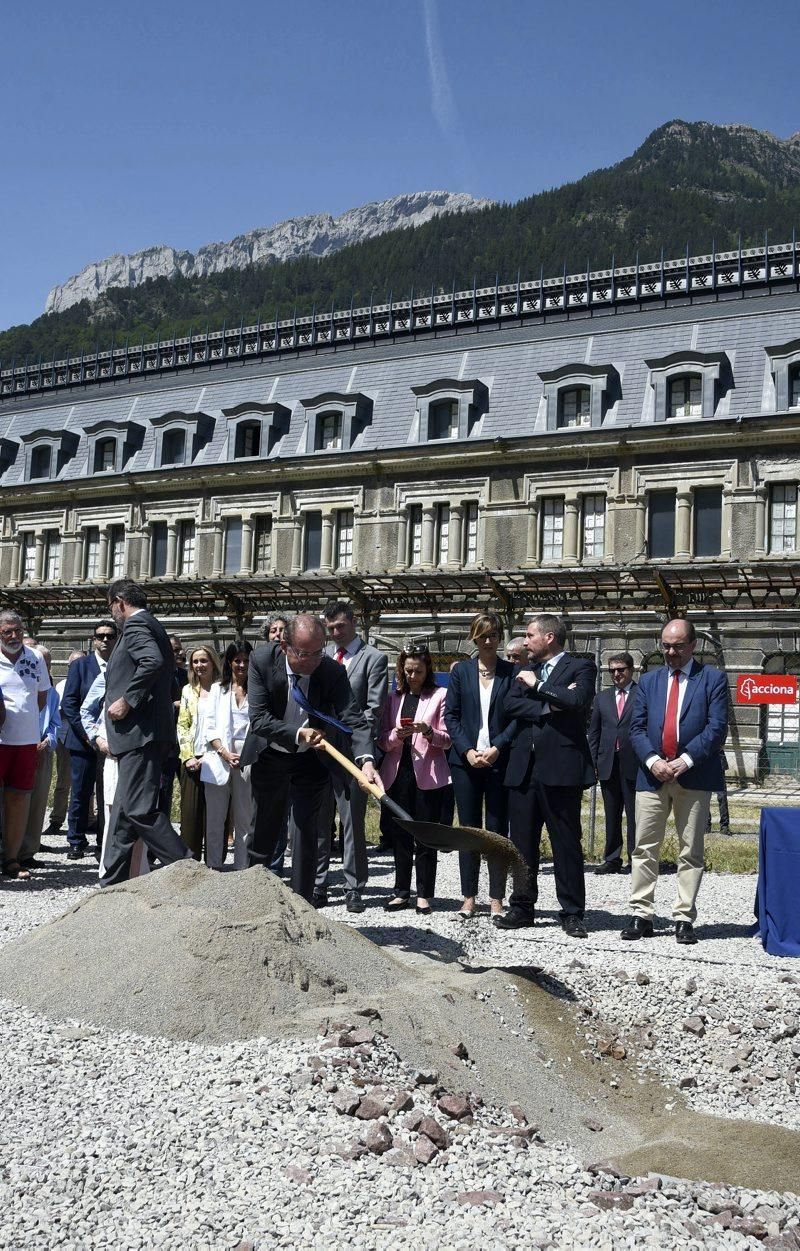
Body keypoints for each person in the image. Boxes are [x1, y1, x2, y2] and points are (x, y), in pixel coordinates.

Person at [240, 613, 380, 904]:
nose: (314, 660)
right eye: (305, 653)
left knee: (307, 833)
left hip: (310, 762)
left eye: (319, 651)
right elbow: (260, 720)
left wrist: (366, 760)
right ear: (285, 647)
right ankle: (252, 902)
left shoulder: (330, 670)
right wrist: (299, 734)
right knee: (263, 834)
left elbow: (353, 719)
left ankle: (302, 906)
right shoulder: (263, 660)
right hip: (271, 755)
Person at [622, 618, 729, 946]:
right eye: (666, 646)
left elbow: (716, 727)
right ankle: (642, 914)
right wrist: (653, 761)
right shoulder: (649, 681)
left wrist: (686, 760)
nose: (671, 652)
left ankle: (684, 917)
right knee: (644, 847)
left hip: (694, 775)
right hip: (651, 776)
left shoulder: (712, 679)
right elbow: (636, 727)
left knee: (690, 849)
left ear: (693, 645)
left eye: (678, 646)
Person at [496, 613, 597, 938]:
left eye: (529, 635)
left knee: (565, 843)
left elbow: (577, 700)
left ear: (549, 637)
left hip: (562, 770)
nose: (524, 642)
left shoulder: (581, 666)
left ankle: (571, 912)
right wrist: (547, 706)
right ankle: (522, 907)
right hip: (524, 770)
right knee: (521, 844)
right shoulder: (523, 670)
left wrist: (538, 688)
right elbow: (509, 705)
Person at [99, 580, 192, 886]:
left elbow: (151, 661)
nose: (112, 614)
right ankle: (111, 882)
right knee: (125, 813)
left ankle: (187, 867)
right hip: (141, 734)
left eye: (111, 606)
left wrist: (127, 700)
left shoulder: (137, 626)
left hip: (140, 734)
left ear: (120, 602)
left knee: (138, 809)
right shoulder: (149, 625)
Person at [315, 601, 388, 911]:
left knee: (352, 822)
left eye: (340, 627)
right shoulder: (321, 658)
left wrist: (358, 746)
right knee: (318, 819)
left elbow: (373, 709)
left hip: (354, 753)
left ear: (354, 623)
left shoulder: (374, 658)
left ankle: (354, 885)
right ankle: (317, 883)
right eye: (330, 628)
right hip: (320, 749)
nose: (335, 632)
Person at [445, 613, 517, 919]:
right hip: (466, 762)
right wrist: (468, 750)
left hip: (499, 761)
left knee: (498, 830)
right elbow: (452, 715)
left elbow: (517, 716)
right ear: (474, 637)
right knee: (469, 831)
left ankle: (497, 898)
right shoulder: (460, 671)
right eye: (483, 635)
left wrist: (498, 747)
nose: (489, 641)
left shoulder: (511, 672)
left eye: (494, 635)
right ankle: (469, 897)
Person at [378, 646, 452, 916]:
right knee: (400, 835)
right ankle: (400, 891)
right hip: (398, 774)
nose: (413, 676)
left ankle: (424, 894)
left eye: (418, 671)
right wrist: (397, 734)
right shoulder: (393, 697)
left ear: (428, 670)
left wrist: (429, 732)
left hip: (429, 774)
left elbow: (448, 739)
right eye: (408, 670)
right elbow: (383, 741)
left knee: (425, 836)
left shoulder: (440, 695)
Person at [0, 611, 51, 879]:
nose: (14, 636)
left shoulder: (36, 657)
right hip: (0, 740)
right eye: (7, 631)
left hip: (26, 740)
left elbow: (41, 697)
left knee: (19, 798)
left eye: (17, 630)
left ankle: (12, 858)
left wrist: (26, 723)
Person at [60, 621, 118, 859]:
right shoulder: (81, 666)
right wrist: (87, 735)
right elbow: (70, 703)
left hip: (111, 743)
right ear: (93, 639)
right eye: (100, 636)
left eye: (110, 636)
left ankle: (103, 841)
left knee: (108, 794)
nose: (105, 640)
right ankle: (76, 840)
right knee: (81, 792)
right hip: (83, 742)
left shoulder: (120, 665)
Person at [205, 640, 254, 870]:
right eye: (238, 660)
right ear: (230, 662)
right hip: (220, 755)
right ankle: (214, 865)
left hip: (248, 758)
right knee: (216, 818)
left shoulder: (257, 691)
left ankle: (241, 868)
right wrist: (224, 752)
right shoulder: (217, 690)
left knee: (245, 817)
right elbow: (209, 727)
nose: (242, 665)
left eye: (246, 660)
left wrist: (245, 756)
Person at [588, 653, 638, 875]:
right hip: (608, 762)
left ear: (631, 670)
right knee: (611, 813)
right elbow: (594, 732)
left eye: (621, 670)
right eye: (612, 671)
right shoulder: (602, 698)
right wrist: (594, 763)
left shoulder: (642, 694)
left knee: (635, 814)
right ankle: (612, 858)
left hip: (634, 762)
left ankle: (636, 859)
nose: (616, 674)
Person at [176, 644, 222, 861]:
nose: (199, 665)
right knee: (191, 815)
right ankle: (189, 863)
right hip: (192, 758)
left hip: (215, 758)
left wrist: (215, 753)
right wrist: (188, 756)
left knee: (216, 815)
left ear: (213, 662)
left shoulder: (224, 689)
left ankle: (215, 863)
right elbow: (183, 725)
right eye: (195, 661)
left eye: (204, 661)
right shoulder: (187, 690)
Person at [19, 647, 61, 868]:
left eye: (46, 663)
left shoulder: (52, 694)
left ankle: (28, 851)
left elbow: (55, 723)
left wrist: (47, 742)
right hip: (15, 748)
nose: (41, 666)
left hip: (41, 750)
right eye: (38, 662)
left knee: (38, 803)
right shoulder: (14, 686)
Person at [42, 650, 84, 843]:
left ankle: (89, 819)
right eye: (71, 665)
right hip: (65, 736)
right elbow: (59, 711)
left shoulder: (92, 680)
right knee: (63, 781)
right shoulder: (61, 685)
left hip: (87, 736)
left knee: (86, 783)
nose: (74, 668)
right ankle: (57, 819)